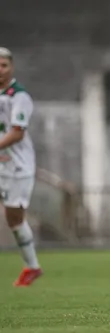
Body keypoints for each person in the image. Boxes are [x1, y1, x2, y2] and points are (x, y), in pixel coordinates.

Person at [0, 47, 42, 287]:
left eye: (3, 65)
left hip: (17, 165)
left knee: (14, 218)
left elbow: (17, 133)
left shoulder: (19, 96)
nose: (0, 70)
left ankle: (32, 267)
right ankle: (33, 267)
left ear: (11, 67)